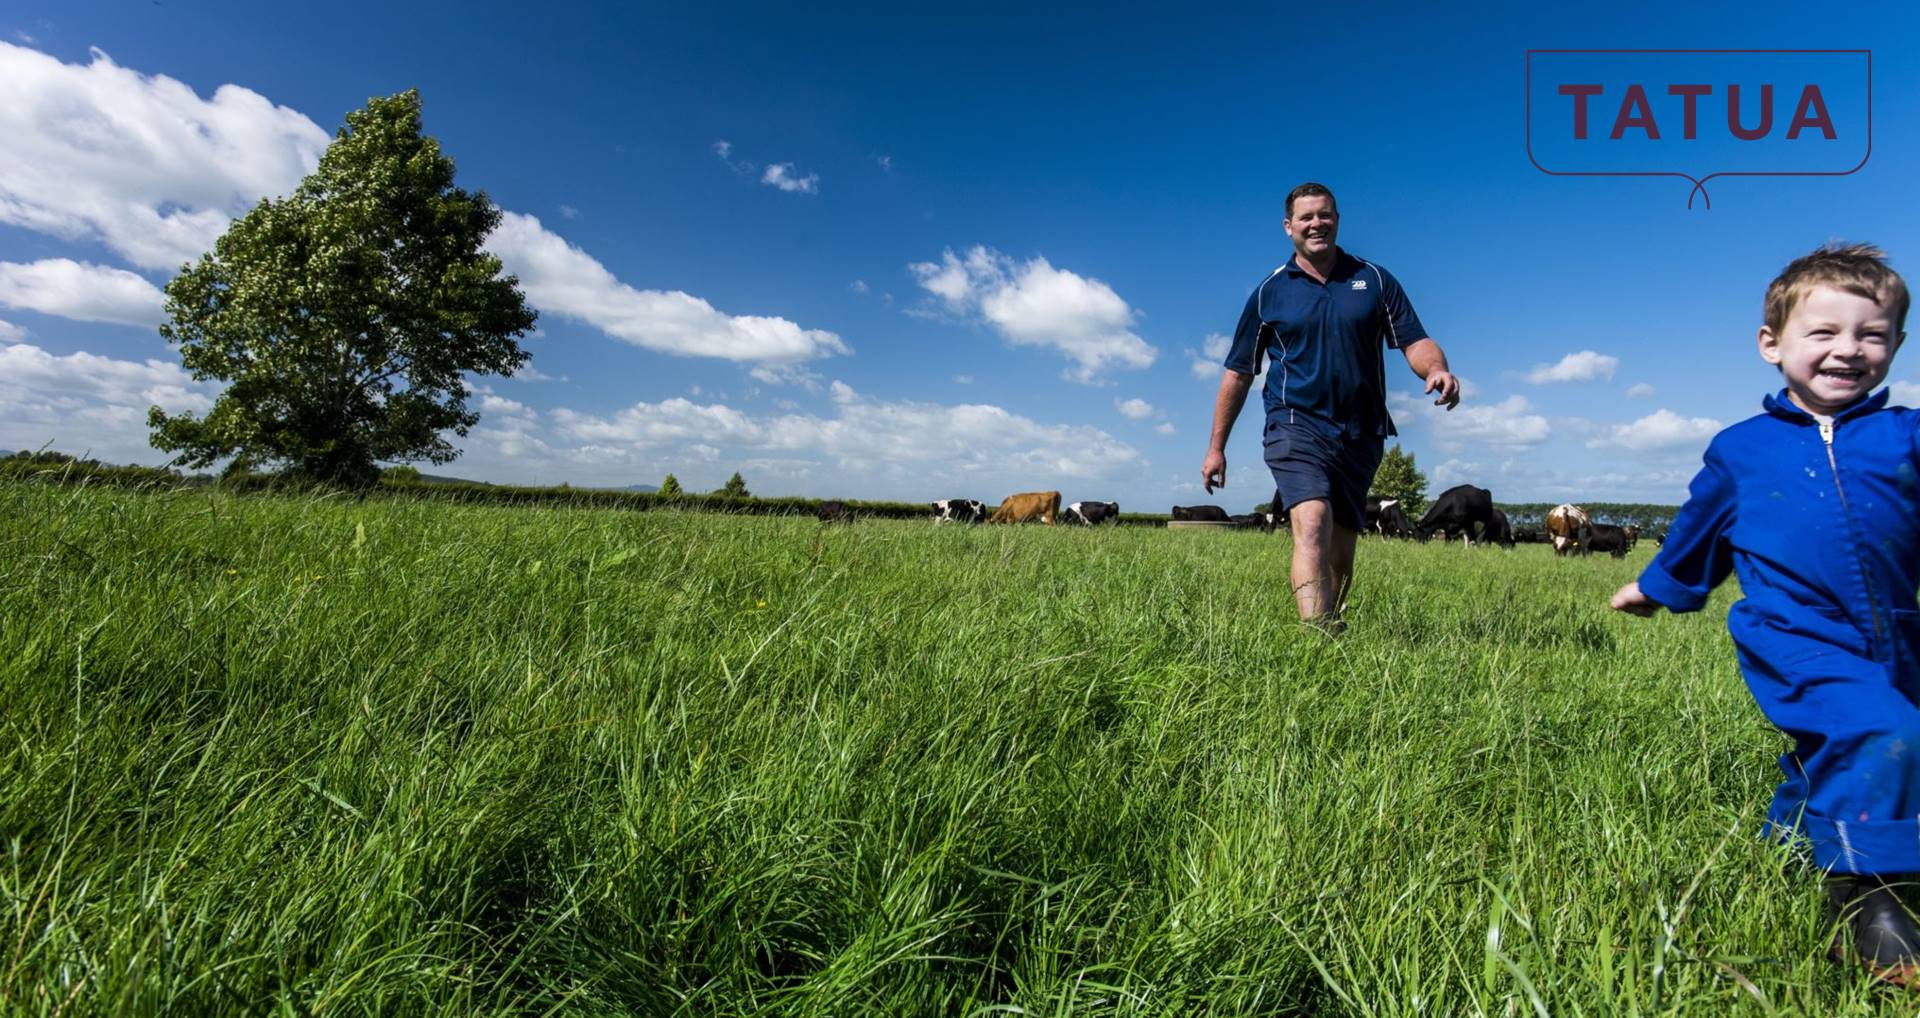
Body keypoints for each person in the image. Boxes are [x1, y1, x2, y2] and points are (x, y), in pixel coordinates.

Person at [1611, 243, 1920, 983]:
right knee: (1886, 732)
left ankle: (1784, 846)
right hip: (1794, 634)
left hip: (1897, 635)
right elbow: (1699, 530)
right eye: (1825, 332)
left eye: (1873, 334)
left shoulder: (1906, 436)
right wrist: (1656, 586)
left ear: (1897, 343)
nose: (1849, 349)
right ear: (1771, 343)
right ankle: (1866, 902)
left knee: (1847, 741)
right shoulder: (1742, 451)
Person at [1200, 182, 1460, 625]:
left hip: (1361, 430)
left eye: (1324, 215)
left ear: (1337, 220)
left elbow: (1414, 341)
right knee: (1313, 520)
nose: (1316, 223)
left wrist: (1436, 368)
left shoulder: (1374, 280)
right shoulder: (1269, 292)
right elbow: (1239, 372)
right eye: (1306, 217)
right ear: (1289, 227)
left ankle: (1332, 626)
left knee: (1341, 552)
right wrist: (1215, 447)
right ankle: (1314, 637)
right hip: (1294, 423)